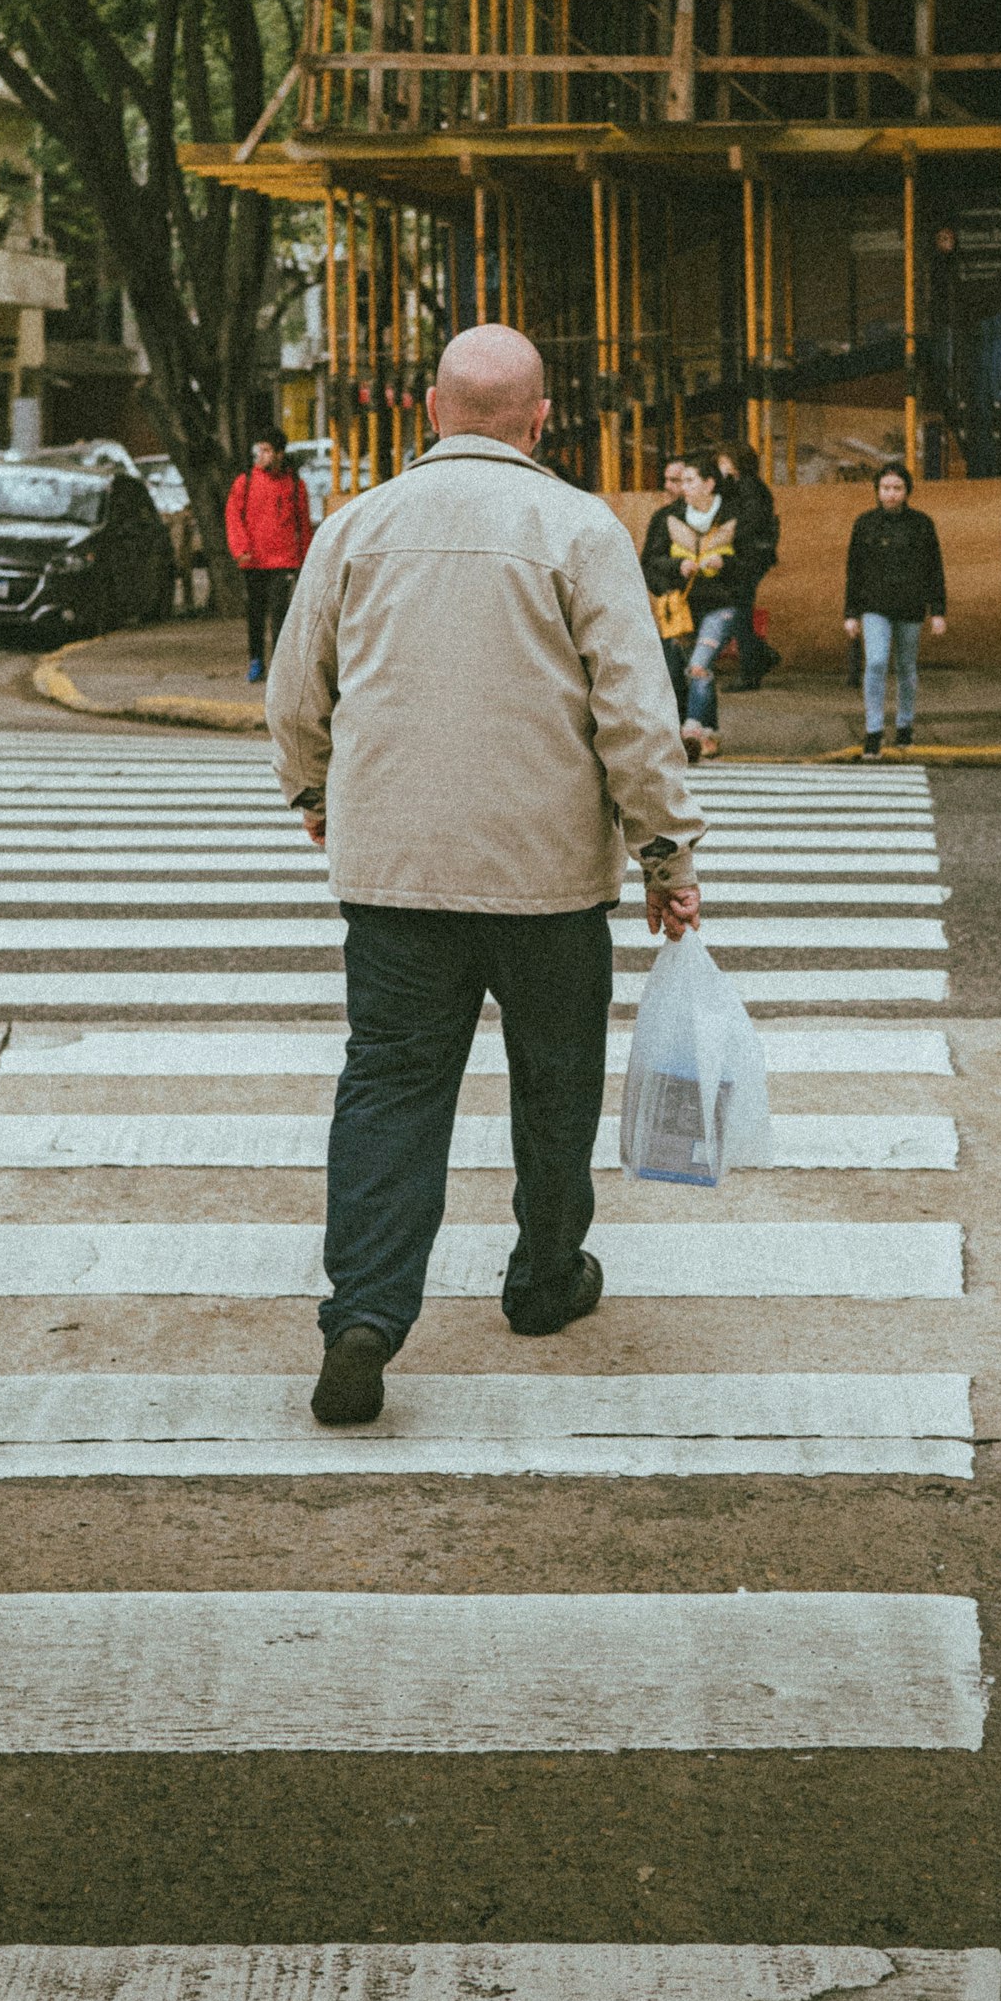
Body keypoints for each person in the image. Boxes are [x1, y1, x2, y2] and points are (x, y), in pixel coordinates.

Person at [266, 323, 704, 1428]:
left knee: (390, 1086)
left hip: (395, 876)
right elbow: (636, 715)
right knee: (554, 1082)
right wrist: (664, 851)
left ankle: (364, 1314)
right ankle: (543, 1278)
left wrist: (313, 792)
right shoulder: (578, 528)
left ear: (427, 408)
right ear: (541, 418)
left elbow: (294, 689)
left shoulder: (357, 526)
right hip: (547, 880)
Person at [639, 452, 748, 759]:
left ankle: (691, 729)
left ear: (710, 483)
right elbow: (648, 563)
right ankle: (708, 734)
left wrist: (725, 562)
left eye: (689, 480)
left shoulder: (733, 515)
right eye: (679, 480)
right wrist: (677, 567)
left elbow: (754, 560)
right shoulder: (666, 518)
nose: (682, 487)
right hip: (681, 607)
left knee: (699, 664)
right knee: (689, 669)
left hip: (722, 604)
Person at [844, 461, 947, 757]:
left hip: (911, 604)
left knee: (906, 667)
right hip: (874, 604)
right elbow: (855, 570)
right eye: (885, 488)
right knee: (875, 662)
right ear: (876, 491)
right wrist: (850, 613)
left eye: (897, 488)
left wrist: (938, 610)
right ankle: (874, 729)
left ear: (907, 491)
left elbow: (934, 568)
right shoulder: (864, 523)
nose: (890, 494)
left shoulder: (922, 524)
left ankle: (905, 725)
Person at [226, 427, 313, 682]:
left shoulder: (296, 486)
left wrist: (306, 560)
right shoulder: (245, 482)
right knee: (255, 614)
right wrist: (240, 549)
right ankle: (256, 660)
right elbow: (233, 517)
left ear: (279, 453)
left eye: (266, 450)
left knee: (280, 616)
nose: (261, 455)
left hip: (284, 560)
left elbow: (303, 526)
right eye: (259, 450)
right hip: (253, 561)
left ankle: (279, 665)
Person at [717, 441, 781, 689]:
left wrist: (727, 536)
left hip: (747, 559)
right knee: (738, 612)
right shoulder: (744, 487)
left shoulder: (749, 488)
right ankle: (761, 656)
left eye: (724, 462)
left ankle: (752, 668)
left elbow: (748, 524)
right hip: (749, 558)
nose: (720, 467)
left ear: (735, 464)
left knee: (739, 613)